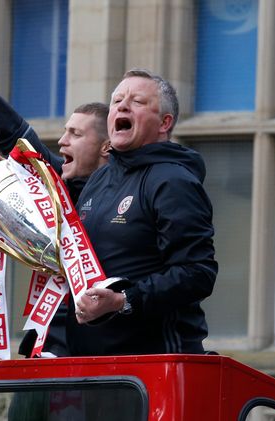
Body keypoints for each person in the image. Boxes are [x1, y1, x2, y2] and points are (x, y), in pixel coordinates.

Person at [0, 10, 109, 357]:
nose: (62, 142)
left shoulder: (129, 197)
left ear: (106, 147)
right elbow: (11, 130)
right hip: (41, 346)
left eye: (75, 134)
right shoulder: (56, 181)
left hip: (96, 359)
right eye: (64, 132)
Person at [68, 69, 218, 356]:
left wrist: (123, 300)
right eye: (116, 101)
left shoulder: (172, 181)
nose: (122, 106)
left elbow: (197, 273)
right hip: (89, 367)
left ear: (165, 123)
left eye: (137, 101)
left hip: (151, 366)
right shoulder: (99, 179)